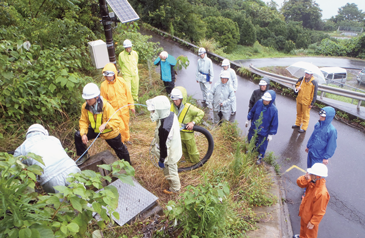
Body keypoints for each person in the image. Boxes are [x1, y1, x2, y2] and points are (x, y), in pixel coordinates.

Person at [74, 83, 131, 166]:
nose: (87, 101)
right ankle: (84, 156)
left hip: (109, 132)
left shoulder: (106, 106)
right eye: (86, 99)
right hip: (95, 130)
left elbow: (116, 121)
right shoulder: (85, 107)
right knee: (78, 135)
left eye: (89, 99)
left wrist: (106, 125)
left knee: (120, 150)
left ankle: (128, 166)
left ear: (96, 97)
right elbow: (83, 121)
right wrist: (83, 134)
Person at [13, 124, 81, 193]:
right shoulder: (54, 139)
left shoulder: (23, 147)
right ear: (44, 132)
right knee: (82, 200)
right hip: (71, 168)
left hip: (49, 178)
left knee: (61, 202)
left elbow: (11, 169)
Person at [147, 95, 182, 195]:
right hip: (174, 148)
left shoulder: (164, 129)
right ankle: (173, 184)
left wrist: (162, 159)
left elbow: (164, 148)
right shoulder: (170, 115)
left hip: (169, 155)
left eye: (154, 111)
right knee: (171, 170)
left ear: (160, 111)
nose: (152, 113)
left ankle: (175, 189)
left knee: (171, 172)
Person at [100, 63, 135, 143]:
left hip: (124, 109)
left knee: (126, 125)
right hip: (114, 111)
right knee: (120, 127)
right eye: (107, 76)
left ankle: (127, 139)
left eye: (110, 75)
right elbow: (103, 100)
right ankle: (121, 142)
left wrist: (131, 106)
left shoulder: (121, 81)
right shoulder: (103, 86)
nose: (109, 77)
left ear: (114, 73)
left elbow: (128, 94)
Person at [293, 163, 330, 238]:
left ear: (317, 176)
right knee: (303, 229)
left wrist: (313, 222)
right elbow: (300, 183)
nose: (310, 174)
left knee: (309, 235)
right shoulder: (312, 182)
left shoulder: (322, 193)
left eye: (312, 173)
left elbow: (320, 211)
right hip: (305, 213)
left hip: (310, 219)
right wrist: (305, 178)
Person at [170, 86, 204, 163]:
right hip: (178, 134)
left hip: (188, 134)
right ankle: (188, 162)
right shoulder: (172, 107)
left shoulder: (189, 107)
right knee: (183, 149)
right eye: (173, 100)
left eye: (177, 100)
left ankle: (196, 163)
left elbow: (201, 113)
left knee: (192, 150)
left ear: (182, 98)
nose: (175, 101)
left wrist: (193, 122)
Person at [246, 90, 278, 165]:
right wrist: (248, 119)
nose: (265, 101)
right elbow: (252, 111)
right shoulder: (259, 103)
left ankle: (260, 157)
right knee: (251, 139)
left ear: (271, 100)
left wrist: (270, 134)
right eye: (264, 99)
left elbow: (274, 123)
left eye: (267, 100)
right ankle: (251, 150)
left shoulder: (274, 110)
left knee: (262, 145)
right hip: (254, 127)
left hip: (264, 131)